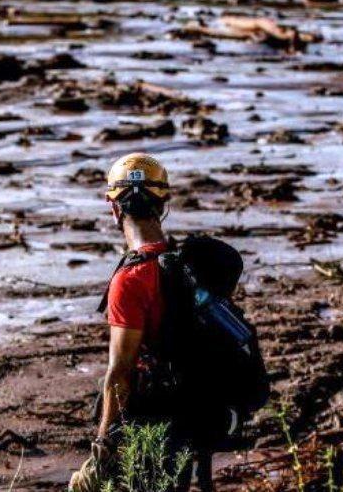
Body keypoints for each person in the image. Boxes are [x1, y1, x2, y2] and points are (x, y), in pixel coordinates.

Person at [69, 152, 213, 492]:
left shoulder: (131, 279)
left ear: (114, 208)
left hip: (152, 421)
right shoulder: (186, 262)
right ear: (163, 204)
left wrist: (103, 444)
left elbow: (120, 374)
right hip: (193, 413)